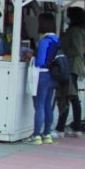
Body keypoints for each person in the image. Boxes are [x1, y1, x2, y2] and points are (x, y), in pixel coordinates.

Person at [25, 12, 60, 145]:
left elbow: (40, 61)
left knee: (39, 105)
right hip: (53, 76)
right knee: (47, 105)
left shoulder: (44, 41)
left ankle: (36, 135)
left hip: (43, 75)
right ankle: (47, 134)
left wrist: (31, 56)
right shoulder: (56, 40)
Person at [56, 6, 85, 137]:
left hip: (71, 66)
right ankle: (75, 127)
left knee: (68, 96)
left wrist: (62, 51)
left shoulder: (75, 31)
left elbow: (77, 50)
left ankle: (61, 128)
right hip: (75, 66)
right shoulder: (81, 30)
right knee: (72, 97)